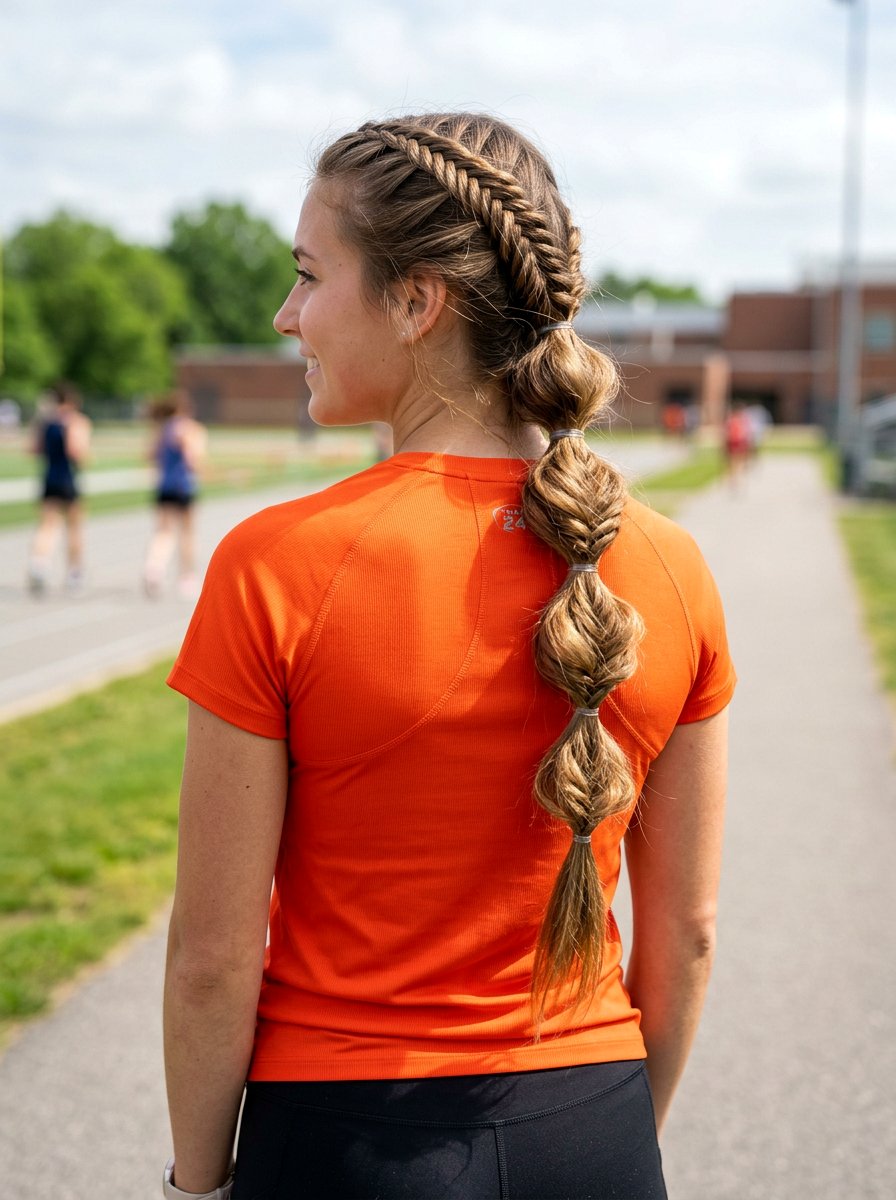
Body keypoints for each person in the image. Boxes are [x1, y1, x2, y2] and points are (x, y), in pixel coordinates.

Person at [163, 113, 735, 1200]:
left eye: (307, 275)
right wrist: (616, 1133)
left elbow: (210, 960)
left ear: (417, 300)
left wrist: (196, 1183)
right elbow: (688, 935)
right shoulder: (672, 568)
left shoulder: (276, 564)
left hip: (342, 1140)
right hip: (594, 1128)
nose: (285, 316)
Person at [27, 382, 91, 595]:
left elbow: (34, 449)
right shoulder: (75, 421)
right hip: (68, 479)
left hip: (49, 477)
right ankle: (74, 573)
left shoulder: (45, 422)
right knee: (74, 528)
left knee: (47, 525)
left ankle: (39, 564)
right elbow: (75, 451)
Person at [143, 392, 207, 598]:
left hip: (164, 487)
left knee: (163, 532)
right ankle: (187, 577)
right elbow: (191, 458)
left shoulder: (162, 429)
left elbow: (150, 455)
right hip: (184, 487)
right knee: (187, 533)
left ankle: (155, 567)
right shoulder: (188, 428)